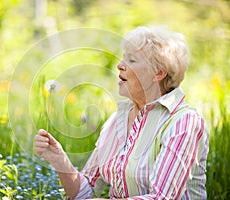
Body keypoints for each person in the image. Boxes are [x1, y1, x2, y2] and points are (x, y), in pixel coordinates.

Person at [34, 26, 209, 199]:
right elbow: (85, 191)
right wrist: (59, 160)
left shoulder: (184, 122)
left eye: (131, 61)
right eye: (123, 58)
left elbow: (162, 197)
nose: (119, 65)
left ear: (158, 73)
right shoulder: (117, 120)